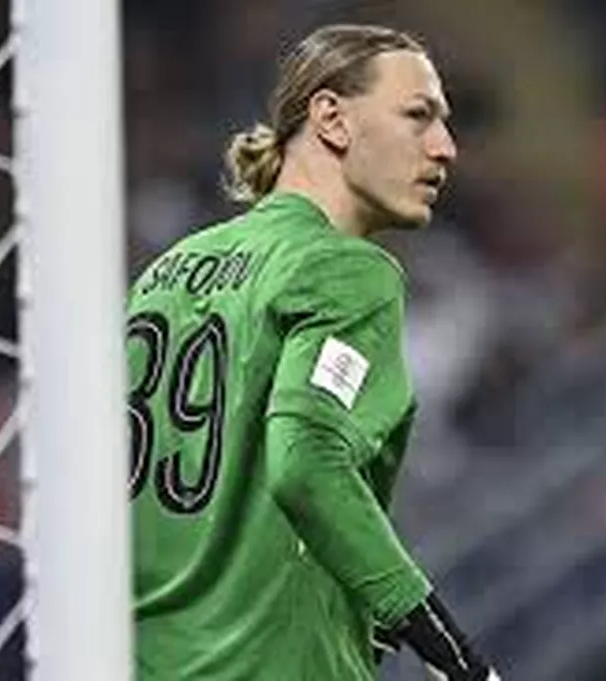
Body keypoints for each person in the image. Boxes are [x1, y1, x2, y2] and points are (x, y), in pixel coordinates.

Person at [126, 23, 500, 681]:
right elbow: (306, 462)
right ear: (331, 119)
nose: (445, 147)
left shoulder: (165, 274)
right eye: (418, 116)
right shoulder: (347, 270)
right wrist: (451, 652)